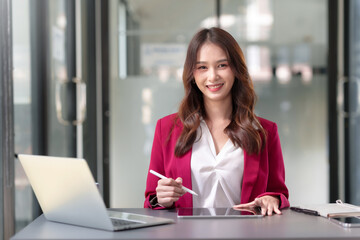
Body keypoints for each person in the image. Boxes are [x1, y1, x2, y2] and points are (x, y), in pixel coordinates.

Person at [144, 27, 289, 216]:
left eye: (222, 65)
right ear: (192, 74)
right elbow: (150, 200)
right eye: (202, 67)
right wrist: (161, 198)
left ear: (236, 69)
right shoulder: (167, 128)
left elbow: (279, 193)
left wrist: (272, 198)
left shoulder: (265, 131)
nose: (212, 76)